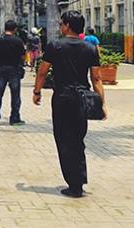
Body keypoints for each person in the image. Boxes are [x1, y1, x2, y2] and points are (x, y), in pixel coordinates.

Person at [33, 10, 107, 199]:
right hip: (82, 98)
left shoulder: (55, 46)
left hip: (63, 97)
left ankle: (74, 183)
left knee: (63, 139)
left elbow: (42, 72)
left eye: (61, 24)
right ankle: (79, 180)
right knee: (77, 139)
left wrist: (37, 92)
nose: (60, 27)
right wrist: (101, 103)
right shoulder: (90, 48)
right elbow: (96, 78)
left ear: (67, 25)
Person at [0, 20, 27, 127]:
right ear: (15, 29)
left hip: (1, 69)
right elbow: (23, 56)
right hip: (14, 69)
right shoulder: (18, 41)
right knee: (15, 95)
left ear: (5, 28)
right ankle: (14, 118)